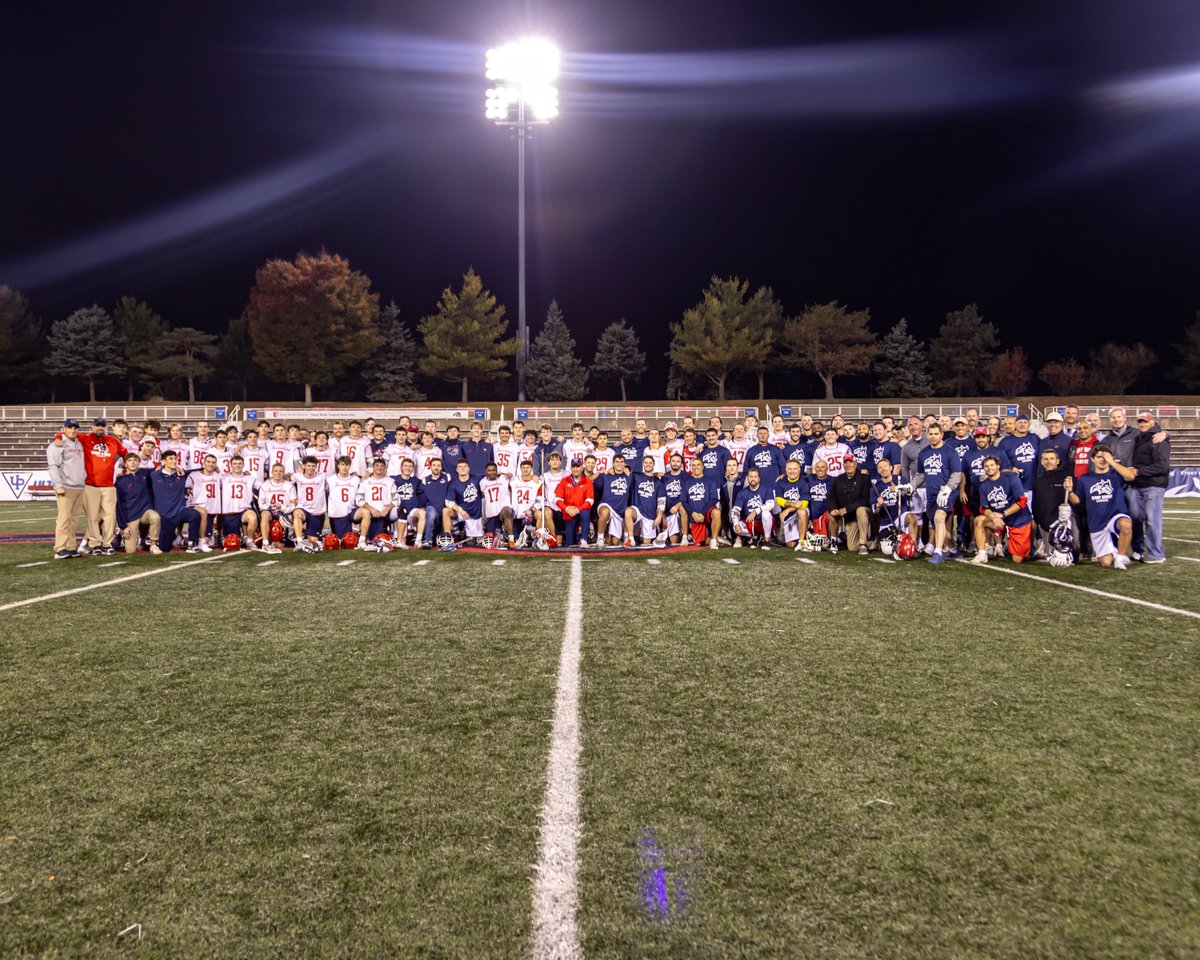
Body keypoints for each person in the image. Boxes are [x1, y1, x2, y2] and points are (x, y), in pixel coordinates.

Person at [1066, 445, 1134, 570]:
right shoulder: (1085, 478)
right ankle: (1115, 551)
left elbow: (1130, 476)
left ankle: (1120, 557)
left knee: (1126, 525)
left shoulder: (1116, 474)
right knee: (1105, 563)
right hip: (1097, 522)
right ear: (1092, 459)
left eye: (1105, 457)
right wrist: (1070, 491)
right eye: (1098, 457)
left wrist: (1112, 462)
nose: (1102, 460)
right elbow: (1076, 501)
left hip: (1115, 515)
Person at [913, 423, 963, 565]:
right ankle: (953, 550)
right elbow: (920, 475)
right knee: (938, 525)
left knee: (939, 518)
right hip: (931, 494)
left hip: (947, 493)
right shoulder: (923, 453)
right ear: (927, 434)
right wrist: (911, 486)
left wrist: (948, 489)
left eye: (936, 434)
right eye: (931, 434)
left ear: (941, 434)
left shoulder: (950, 452)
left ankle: (938, 552)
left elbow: (956, 474)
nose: (933, 436)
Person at [1126, 412, 1171, 564]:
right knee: (1135, 518)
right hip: (1137, 485)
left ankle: (1156, 554)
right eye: (1140, 421)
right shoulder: (1139, 437)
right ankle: (1137, 551)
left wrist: (1138, 471)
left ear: (1152, 422)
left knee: (1152, 521)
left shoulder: (1158, 439)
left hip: (1153, 485)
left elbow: (1162, 466)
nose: (1142, 424)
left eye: (1145, 421)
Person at [971, 454, 1033, 564]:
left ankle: (1028, 547)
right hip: (1000, 521)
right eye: (986, 466)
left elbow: (1022, 501)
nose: (989, 468)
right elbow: (984, 508)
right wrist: (992, 516)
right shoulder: (983, 485)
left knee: (1017, 560)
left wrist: (1003, 514)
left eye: (992, 465)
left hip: (1018, 521)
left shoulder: (1011, 478)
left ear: (998, 466)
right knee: (979, 520)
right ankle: (982, 554)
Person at [77, 416, 125, 555]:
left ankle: (107, 544)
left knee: (110, 516)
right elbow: (67, 434)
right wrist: (57, 437)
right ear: (93, 427)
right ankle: (95, 544)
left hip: (108, 485)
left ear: (106, 427)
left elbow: (126, 455)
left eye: (102, 426)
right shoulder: (85, 438)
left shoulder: (113, 440)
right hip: (90, 484)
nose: (100, 428)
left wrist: (127, 468)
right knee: (92, 517)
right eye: (97, 425)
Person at [150, 450, 204, 554]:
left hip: (179, 512)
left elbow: (197, 469)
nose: (174, 461)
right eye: (171, 459)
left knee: (195, 514)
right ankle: (174, 537)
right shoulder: (154, 475)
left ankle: (191, 544)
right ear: (163, 461)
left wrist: (214, 467)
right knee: (165, 548)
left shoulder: (182, 474)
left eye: (175, 459)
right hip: (164, 516)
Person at [47, 418, 86, 559]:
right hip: (66, 486)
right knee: (64, 519)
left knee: (73, 519)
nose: (73, 430)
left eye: (75, 428)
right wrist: (58, 485)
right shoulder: (57, 445)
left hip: (79, 486)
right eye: (70, 427)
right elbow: (53, 466)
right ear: (64, 429)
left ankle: (70, 546)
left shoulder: (79, 443)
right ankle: (60, 548)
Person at [114, 452, 161, 554]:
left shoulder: (145, 474)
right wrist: (123, 526)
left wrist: (178, 468)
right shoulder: (120, 481)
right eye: (130, 460)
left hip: (145, 512)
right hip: (131, 516)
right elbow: (118, 506)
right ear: (125, 464)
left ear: (139, 462)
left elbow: (160, 468)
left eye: (135, 460)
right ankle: (121, 535)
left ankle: (153, 545)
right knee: (130, 550)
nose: (133, 462)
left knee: (155, 517)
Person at [829, 455, 873, 554]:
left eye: (850, 462)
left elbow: (865, 500)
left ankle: (863, 544)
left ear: (855, 464)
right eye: (846, 462)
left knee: (860, 510)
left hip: (864, 515)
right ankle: (873, 544)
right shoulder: (839, 479)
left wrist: (846, 509)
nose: (848, 465)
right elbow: (831, 496)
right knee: (852, 547)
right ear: (843, 465)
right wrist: (833, 508)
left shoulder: (864, 477)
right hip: (851, 519)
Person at [625, 456, 667, 546]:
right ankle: (630, 539)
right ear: (643, 464)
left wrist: (659, 517)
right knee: (628, 512)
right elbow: (625, 470)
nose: (648, 465)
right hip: (637, 509)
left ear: (654, 465)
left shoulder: (658, 482)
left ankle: (641, 535)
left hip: (650, 514)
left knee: (646, 542)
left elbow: (661, 501)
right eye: (646, 463)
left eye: (650, 463)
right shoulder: (636, 476)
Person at [442, 459, 484, 549]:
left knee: (473, 544)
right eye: (460, 467)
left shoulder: (477, 478)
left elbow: (492, 475)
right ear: (456, 469)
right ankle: (447, 538)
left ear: (469, 468)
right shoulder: (453, 483)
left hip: (477, 515)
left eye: (465, 466)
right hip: (462, 514)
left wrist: (505, 474)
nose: (462, 468)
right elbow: (448, 502)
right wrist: (460, 510)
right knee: (446, 511)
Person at [682, 456, 721, 549]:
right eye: (693, 465)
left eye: (698, 465)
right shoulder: (686, 483)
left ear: (702, 467)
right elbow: (683, 501)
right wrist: (692, 513)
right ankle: (712, 537)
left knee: (717, 512)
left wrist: (703, 513)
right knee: (699, 544)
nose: (696, 467)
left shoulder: (710, 482)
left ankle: (714, 541)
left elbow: (714, 499)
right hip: (694, 515)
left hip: (706, 514)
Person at [219, 455, 258, 548]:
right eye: (235, 463)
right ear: (230, 465)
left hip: (244, 510)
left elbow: (264, 487)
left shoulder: (249, 479)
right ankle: (224, 534)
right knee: (233, 543)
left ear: (243, 465)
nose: (237, 466)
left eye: (240, 463)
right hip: (229, 512)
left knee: (252, 517)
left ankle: (249, 540)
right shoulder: (223, 478)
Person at [291, 456, 329, 551]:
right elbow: (286, 484)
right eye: (308, 466)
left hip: (316, 511)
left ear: (316, 467)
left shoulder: (322, 476)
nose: (311, 468)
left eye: (313, 466)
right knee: (297, 514)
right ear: (304, 466)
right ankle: (299, 542)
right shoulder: (297, 476)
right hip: (303, 507)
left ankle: (305, 535)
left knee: (313, 540)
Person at [730, 467, 773, 550]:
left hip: (764, 522)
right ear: (747, 478)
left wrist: (755, 511)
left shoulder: (766, 489)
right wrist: (736, 523)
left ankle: (767, 539)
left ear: (759, 478)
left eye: (755, 477)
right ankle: (755, 537)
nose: (753, 479)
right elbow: (735, 510)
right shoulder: (742, 492)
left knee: (766, 513)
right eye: (751, 476)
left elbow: (770, 504)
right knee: (735, 527)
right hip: (750, 523)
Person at [555, 458, 594, 547]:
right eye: (574, 467)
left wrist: (577, 509)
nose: (576, 469)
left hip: (581, 511)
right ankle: (577, 538)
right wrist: (567, 509)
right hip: (569, 513)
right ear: (571, 468)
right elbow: (557, 499)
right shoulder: (564, 481)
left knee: (585, 513)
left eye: (578, 467)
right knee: (570, 542)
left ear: (582, 468)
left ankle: (584, 540)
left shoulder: (588, 482)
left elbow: (590, 501)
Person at [594, 454, 632, 546]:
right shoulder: (605, 475)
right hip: (606, 505)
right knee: (605, 512)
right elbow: (594, 485)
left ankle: (609, 535)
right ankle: (600, 537)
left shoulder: (629, 476)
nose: (619, 464)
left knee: (614, 542)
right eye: (617, 462)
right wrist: (603, 472)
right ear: (613, 463)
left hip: (619, 510)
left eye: (621, 462)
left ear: (624, 464)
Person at [772, 458, 810, 550]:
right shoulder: (781, 482)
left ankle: (801, 542)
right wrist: (793, 504)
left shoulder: (804, 482)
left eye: (794, 469)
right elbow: (778, 500)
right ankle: (804, 533)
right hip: (788, 516)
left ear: (799, 470)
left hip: (800, 512)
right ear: (786, 470)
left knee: (802, 512)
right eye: (790, 469)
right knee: (791, 545)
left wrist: (788, 509)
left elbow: (804, 504)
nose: (792, 471)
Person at [480, 462, 516, 548]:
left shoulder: (504, 478)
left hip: (503, 507)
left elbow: (513, 479)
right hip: (491, 513)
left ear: (497, 471)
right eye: (489, 470)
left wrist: (508, 475)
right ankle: (502, 536)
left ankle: (511, 540)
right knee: (492, 542)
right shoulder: (482, 482)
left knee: (507, 512)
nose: (491, 472)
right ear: (485, 472)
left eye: (493, 470)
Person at [326, 456, 361, 540]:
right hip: (339, 513)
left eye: (347, 465)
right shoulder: (330, 480)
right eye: (342, 464)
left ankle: (364, 536)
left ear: (350, 466)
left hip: (353, 511)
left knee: (366, 513)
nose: (344, 467)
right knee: (344, 540)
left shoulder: (356, 480)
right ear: (338, 466)